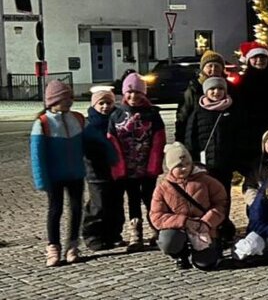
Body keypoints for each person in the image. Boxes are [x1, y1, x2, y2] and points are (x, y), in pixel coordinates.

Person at [109, 72, 167, 252]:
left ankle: (157, 229)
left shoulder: (152, 114)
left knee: (151, 199)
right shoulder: (116, 115)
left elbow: (159, 141)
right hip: (128, 167)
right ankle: (136, 233)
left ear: (144, 94)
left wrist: (155, 164)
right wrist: (117, 166)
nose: (134, 97)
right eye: (130, 92)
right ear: (124, 93)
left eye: (138, 93)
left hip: (147, 166)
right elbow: (112, 141)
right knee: (133, 199)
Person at [31, 79, 86, 266]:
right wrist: (41, 180)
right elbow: (37, 155)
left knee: (77, 208)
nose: (70, 101)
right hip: (54, 176)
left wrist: (110, 154)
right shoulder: (43, 123)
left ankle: (73, 245)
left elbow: (94, 139)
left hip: (76, 174)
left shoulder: (77, 119)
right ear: (54, 101)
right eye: (66, 98)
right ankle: (53, 247)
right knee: (55, 210)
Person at [150, 143, 228, 270]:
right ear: (171, 167)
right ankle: (181, 254)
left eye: (187, 164)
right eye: (179, 166)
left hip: (204, 228)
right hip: (179, 228)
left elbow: (221, 204)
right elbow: (156, 216)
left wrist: (206, 222)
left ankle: (211, 248)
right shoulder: (162, 188)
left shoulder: (207, 181)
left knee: (206, 264)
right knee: (168, 241)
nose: (184, 168)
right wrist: (184, 222)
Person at [183, 76, 240, 238]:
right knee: (205, 196)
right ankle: (208, 226)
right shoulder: (198, 112)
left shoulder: (231, 110)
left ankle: (223, 225)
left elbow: (239, 135)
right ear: (206, 91)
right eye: (212, 89)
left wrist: (236, 158)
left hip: (225, 163)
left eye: (220, 89)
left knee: (224, 196)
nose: (216, 92)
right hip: (204, 165)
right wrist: (192, 161)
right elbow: (190, 137)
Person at [82, 86, 123, 252]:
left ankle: (114, 235)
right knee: (98, 204)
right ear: (94, 105)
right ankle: (92, 236)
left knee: (116, 203)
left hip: (116, 170)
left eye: (109, 103)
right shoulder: (89, 124)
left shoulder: (118, 121)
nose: (105, 107)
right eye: (102, 103)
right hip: (95, 171)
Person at [175, 49, 226, 142]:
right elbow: (183, 117)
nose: (213, 69)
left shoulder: (229, 88)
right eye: (209, 66)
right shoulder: (194, 89)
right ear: (203, 68)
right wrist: (180, 141)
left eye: (217, 66)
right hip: (198, 139)